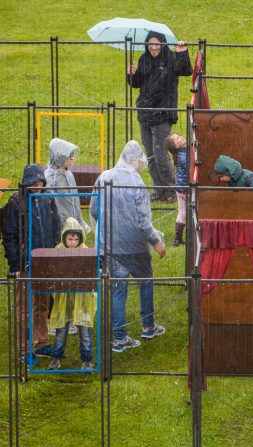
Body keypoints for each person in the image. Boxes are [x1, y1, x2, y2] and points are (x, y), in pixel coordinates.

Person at [90, 141, 166, 353]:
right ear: (133, 160)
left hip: (111, 245)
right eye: (141, 160)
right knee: (146, 282)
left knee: (117, 290)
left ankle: (120, 337)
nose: (142, 164)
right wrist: (156, 242)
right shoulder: (137, 182)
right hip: (136, 247)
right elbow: (143, 221)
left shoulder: (104, 177)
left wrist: (106, 229)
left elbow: (94, 210)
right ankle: (149, 326)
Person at [2, 163, 59, 365]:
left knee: (42, 304)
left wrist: (52, 253)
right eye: (34, 181)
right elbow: (9, 237)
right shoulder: (15, 203)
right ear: (26, 182)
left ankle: (41, 343)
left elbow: (55, 226)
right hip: (25, 264)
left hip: (45, 262)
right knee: (23, 308)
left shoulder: (47, 199)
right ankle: (24, 349)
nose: (37, 184)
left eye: (40, 180)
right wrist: (15, 266)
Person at [127, 32, 192, 202]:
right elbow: (137, 83)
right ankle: (159, 189)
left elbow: (185, 70)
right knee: (150, 153)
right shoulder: (143, 59)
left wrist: (182, 52)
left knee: (160, 153)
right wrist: (132, 75)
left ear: (163, 44)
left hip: (163, 113)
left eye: (157, 44)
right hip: (144, 113)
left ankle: (171, 189)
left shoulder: (171, 58)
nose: (154, 47)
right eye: (150, 44)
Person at [48, 217, 97, 371]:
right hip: (64, 298)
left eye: (76, 239)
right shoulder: (58, 250)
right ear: (64, 237)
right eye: (70, 239)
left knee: (84, 331)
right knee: (61, 331)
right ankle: (56, 358)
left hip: (81, 299)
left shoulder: (85, 251)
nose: (73, 242)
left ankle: (87, 360)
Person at [44, 138, 91, 234]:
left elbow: (74, 201)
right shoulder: (50, 177)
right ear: (61, 157)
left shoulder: (68, 173)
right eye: (70, 156)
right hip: (60, 225)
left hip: (73, 222)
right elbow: (54, 204)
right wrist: (62, 224)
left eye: (73, 155)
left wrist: (78, 221)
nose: (72, 159)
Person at [165, 133, 188, 246]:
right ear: (176, 147)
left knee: (182, 212)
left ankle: (177, 239)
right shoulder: (183, 156)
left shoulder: (182, 152)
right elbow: (190, 164)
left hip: (180, 187)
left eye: (178, 135)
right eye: (177, 138)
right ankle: (179, 239)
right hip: (185, 188)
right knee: (185, 211)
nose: (181, 137)